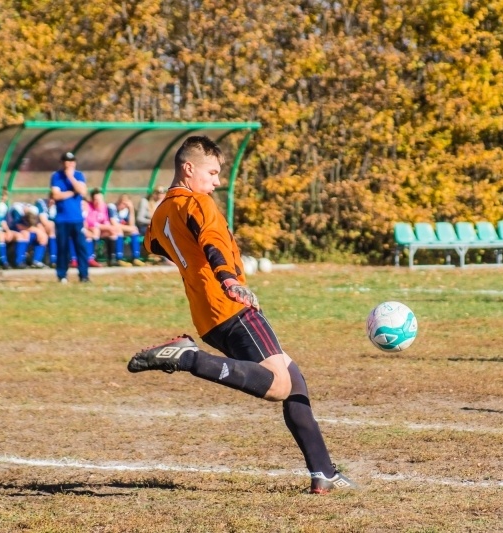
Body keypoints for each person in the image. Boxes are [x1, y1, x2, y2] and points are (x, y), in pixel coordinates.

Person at [127, 136, 356, 494]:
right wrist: (229, 279)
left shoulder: (162, 212)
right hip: (231, 306)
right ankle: (189, 358)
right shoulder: (197, 202)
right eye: (212, 173)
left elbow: (152, 244)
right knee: (279, 385)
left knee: (295, 381)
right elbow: (212, 240)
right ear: (188, 169)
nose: (217, 181)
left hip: (207, 316)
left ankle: (323, 472)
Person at [50, 151, 90, 283]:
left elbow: (82, 191)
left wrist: (71, 177)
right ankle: (62, 275)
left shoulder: (79, 175)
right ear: (62, 163)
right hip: (62, 219)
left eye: (72, 161)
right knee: (63, 248)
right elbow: (56, 195)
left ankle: (84, 275)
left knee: (81, 248)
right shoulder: (56, 176)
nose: (69, 164)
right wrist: (73, 192)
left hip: (77, 219)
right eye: (67, 161)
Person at [86, 188, 129, 267]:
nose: (98, 201)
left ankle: (112, 258)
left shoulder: (104, 206)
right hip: (90, 230)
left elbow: (105, 220)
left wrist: (108, 227)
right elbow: (90, 223)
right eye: (96, 199)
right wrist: (105, 227)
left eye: (100, 199)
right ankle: (93, 258)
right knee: (96, 230)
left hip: (100, 230)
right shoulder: (89, 206)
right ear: (92, 199)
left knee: (113, 232)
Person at [109, 194, 144, 266]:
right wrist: (130, 228)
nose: (123, 206)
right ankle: (119, 259)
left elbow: (131, 224)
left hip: (123, 229)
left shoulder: (126, 210)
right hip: (112, 230)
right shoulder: (112, 207)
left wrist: (131, 209)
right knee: (120, 231)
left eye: (126, 204)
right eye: (122, 203)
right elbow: (114, 224)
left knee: (134, 231)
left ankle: (135, 258)